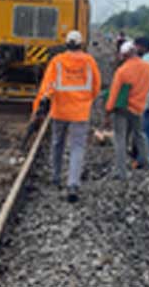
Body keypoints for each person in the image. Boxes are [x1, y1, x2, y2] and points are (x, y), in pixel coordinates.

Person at [34, 31, 101, 202]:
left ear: (66, 44)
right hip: (80, 111)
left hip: (60, 110)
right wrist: (87, 99)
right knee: (77, 147)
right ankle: (73, 184)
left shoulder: (57, 61)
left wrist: (42, 102)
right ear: (81, 44)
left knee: (57, 143)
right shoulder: (89, 61)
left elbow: (48, 84)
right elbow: (96, 85)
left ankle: (56, 177)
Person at [105, 41, 149, 179]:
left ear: (124, 55)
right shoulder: (148, 68)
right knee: (140, 135)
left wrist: (108, 110)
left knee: (120, 139)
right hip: (139, 108)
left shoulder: (122, 71)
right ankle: (148, 163)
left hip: (122, 108)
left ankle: (121, 171)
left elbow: (114, 93)